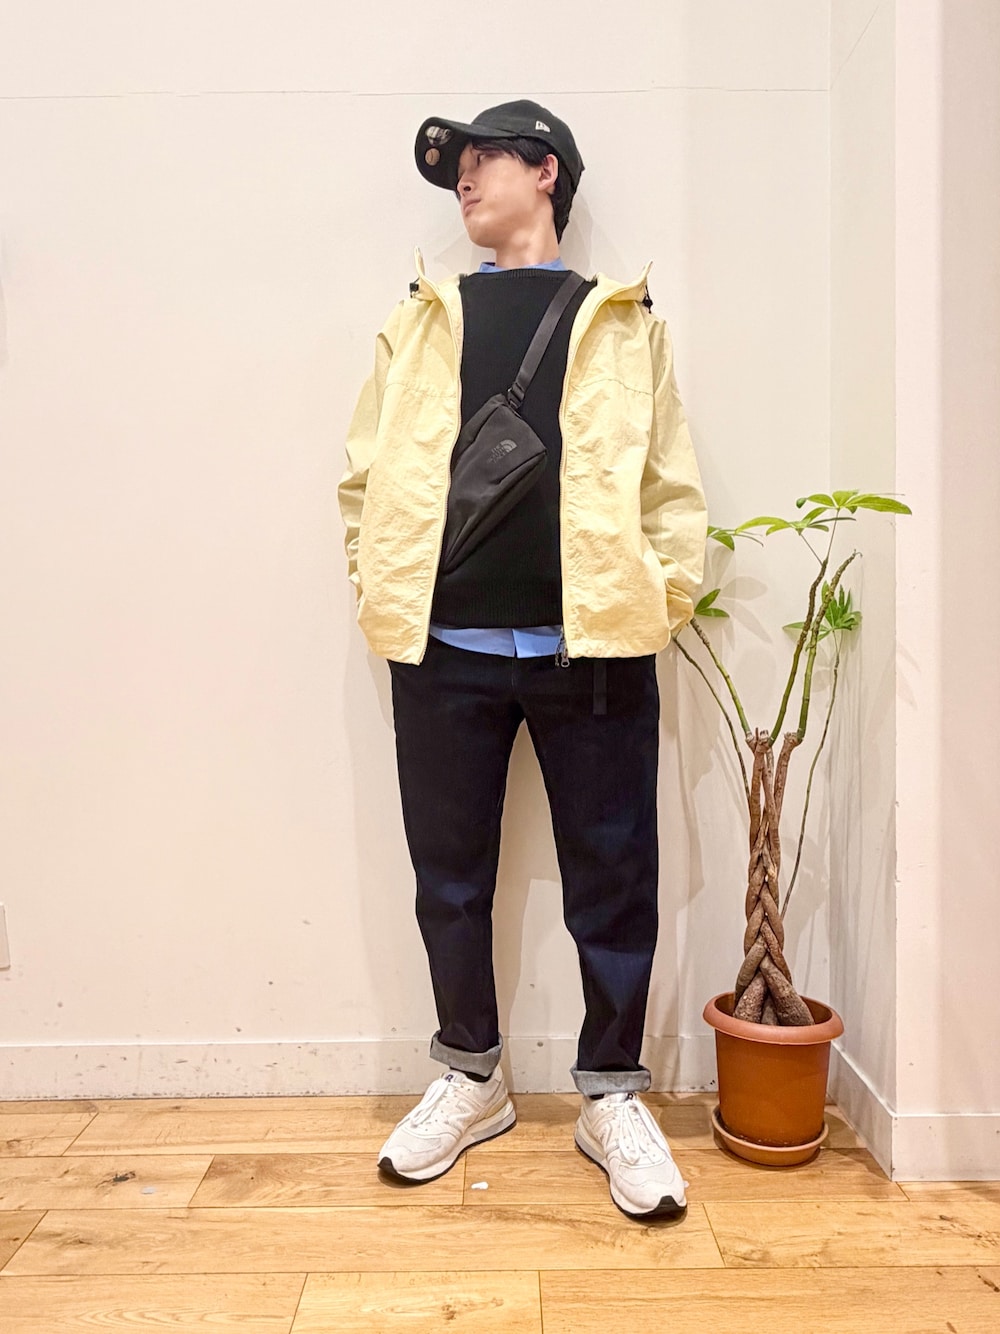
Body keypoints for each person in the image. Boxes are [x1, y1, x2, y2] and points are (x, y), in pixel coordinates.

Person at [338, 100, 706, 1220]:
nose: (462, 178)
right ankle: (471, 1074)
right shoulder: (422, 318)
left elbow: (670, 487)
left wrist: (656, 599)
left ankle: (611, 1093)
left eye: (482, 157)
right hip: (440, 649)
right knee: (448, 878)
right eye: (455, 166)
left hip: (593, 647)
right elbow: (363, 474)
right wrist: (375, 580)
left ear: (546, 170)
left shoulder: (619, 317)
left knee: (615, 879)